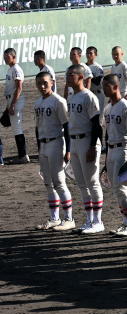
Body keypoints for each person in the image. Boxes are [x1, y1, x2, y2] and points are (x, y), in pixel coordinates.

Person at [33, 72, 74, 231]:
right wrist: (38, 149)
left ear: (52, 82)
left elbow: (67, 126)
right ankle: (54, 218)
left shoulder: (59, 101)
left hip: (56, 143)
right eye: (39, 83)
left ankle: (69, 218)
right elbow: (37, 128)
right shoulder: (37, 103)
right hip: (43, 146)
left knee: (59, 182)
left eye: (45, 83)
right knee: (48, 183)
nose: (42, 86)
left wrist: (68, 150)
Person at [65, 64, 103, 234]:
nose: (67, 77)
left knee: (92, 182)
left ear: (80, 77)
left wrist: (92, 146)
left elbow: (96, 124)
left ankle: (98, 221)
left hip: (87, 141)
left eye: (71, 74)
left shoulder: (89, 97)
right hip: (74, 142)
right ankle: (89, 219)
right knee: (81, 183)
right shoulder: (72, 98)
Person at [101, 74, 127, 236]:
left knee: (121, 187)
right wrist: (106, 157)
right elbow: (107, 134)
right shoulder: (108, 107)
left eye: (106, 86)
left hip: (123, 148)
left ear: (115, 87)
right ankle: (126, 221)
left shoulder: (126, 107)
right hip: (111, 150)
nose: (103, 90)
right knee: (116, 187)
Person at [3, 48, 27, 164]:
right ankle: (22, 155)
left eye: (7, 57)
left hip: (15, 101)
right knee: (9, 124)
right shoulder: (10, 69)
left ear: (13, 56)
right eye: (4, 57)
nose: (5, 59)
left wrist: (12, 105)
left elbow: (19, 87)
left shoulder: (16, 69)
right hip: (11, 101)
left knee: (17, 128)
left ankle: (23, 155)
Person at [86, 46, 106, 114]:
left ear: (95, 55)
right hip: (88, 94)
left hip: (98, 94)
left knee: (99, 117)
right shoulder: (83, 67)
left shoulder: (98, 67)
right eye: (87, 53)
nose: (88, 55)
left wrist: (88, 77)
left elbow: (98, 81)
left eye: (91, 53)